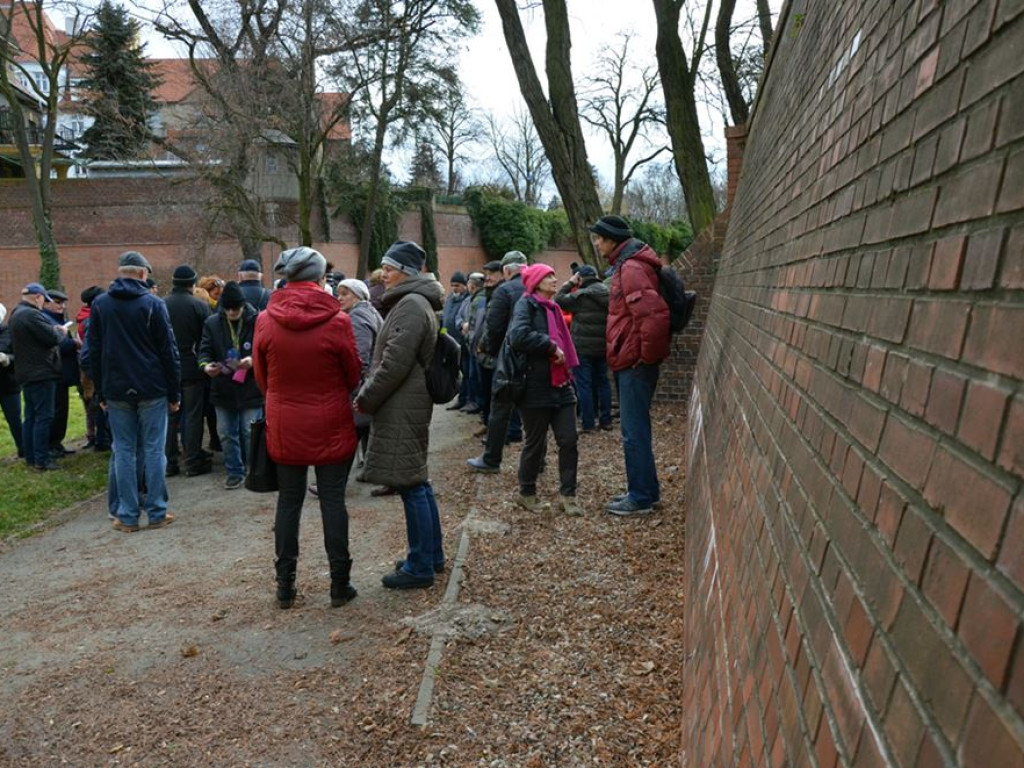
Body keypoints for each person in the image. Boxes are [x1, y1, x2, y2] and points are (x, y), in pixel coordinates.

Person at [253, 247, 363, 609]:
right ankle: (339, 584)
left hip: (285, 422)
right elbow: (352, 374)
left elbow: (261, 376)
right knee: (332, 501)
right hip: (330, 419)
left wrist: (282, 398)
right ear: (319, 279)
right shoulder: (338, 321)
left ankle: (285, 587)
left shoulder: (266, 319)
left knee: (289, 502)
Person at [355, 240, 445, 590]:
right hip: (407, 401)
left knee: (410, 484)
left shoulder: (410, 304)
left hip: (402, 402)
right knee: (417, 481)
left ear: (406, 272)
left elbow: (394, 363)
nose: (384, 274)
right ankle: (430, 556)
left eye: (389, 268)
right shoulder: (416, 301)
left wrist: (365, 397)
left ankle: (420, 565)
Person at [88, 251, 181, 532]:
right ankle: (156, 511)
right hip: (151, 386)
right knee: (154, 449)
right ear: (143, 274)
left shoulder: (101, 304)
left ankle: (127, 514)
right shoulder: (152, 304)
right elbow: (169, 351)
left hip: (116, 389)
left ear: (120, 272)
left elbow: (95, 351)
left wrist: (100, 393)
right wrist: (174, 392)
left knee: (124, 451)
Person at [590, 215, 671, 516]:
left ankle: (640, 498)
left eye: (599, 238)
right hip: (632, 361)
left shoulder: (632, 267)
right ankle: (646, 491)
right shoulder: (628, 264)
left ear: (611, 239)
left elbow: (654, 316)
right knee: (636, 429)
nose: (597, 243)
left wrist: (644, 358)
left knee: (633, 431)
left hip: (634, 364)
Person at [506, 264, 583, 516]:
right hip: (534, 387)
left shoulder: (555, 308)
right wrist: (550, 346)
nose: (554, 278)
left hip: (561, 384)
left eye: (553, 274)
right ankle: (527, 493)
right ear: (536, 282)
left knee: (569, 440)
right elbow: (517, 335)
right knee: (535, 444)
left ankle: (568, 495)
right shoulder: (526, 305)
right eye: (548, 276)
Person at [199, 281, 264, 490]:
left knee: (249, 430)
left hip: (251, 385)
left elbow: (266, 350)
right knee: (226, 432)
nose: (231, 312)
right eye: (227, 308)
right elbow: (204, 350)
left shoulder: (258, 321)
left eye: (235, 308)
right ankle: (234, 471)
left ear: (243, 305)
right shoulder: (211, 323)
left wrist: (253, 361)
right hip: (223, 386)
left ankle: (253, 469)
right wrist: (206, 366)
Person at [467, 250, 527, 473]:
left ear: (507, 271)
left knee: (500, 409)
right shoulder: (537, 287)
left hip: (509, 358)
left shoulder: (505, 291)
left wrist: (488, 352)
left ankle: (491, 459)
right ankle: (537, 462)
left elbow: (494, 327)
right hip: (536, 357)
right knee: (533, 416)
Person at [9, 283, 69, 471]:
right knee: (44, 417)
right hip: (41, 372)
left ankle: (31, 457)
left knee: (31, 416)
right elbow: (52, 338)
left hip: (26, 372)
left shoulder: (16, 313)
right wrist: (62, 332)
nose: (44, 303)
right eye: (45, 299)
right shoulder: (32, 315)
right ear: (38, 297)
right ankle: (42, 460)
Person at [164, 265, 213, 477]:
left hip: (166, 369)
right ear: (193, 284)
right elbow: (208, 337)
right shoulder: (198, 306)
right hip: (192, 368)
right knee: (193, 415)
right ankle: (192, 460)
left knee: (169, 417)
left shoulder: (160, 305)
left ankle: (169, 462)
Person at [555, 264, 612, 432]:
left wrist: (570, 283)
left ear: (580, 279)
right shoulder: (608, 294)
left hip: (582, 348)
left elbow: (558, 300)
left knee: (584, 385)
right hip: (603, 346)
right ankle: (606, 420)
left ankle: (588, 423)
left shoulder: (581, 296)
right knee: (603, 382)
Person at [42, 289, 80, 458]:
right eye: (58, 302)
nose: (62, 306)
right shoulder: (46, 320)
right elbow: (58, 345)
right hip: (56, 371)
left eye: (63, 303)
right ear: (46, 302)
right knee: (55, 410)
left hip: (63, 372)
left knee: (62, 410)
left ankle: (57, 443)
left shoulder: (57, 319)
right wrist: (73, 343)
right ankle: (52, 444)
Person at [76, 286, 111, 452]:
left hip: (93, 369)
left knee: (94, 404)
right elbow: (87, 354)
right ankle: (102, 440)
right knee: (98, 404)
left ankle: (98, 438)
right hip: (98, 370)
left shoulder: (85, 319)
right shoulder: (93, 321)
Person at [441, 271, 470, 410]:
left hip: (462, 342)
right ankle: (460, 397)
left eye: (457, 285)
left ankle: (466, 398)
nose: (454, 288)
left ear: (464, 285)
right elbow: (444, 319)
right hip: (449, 341)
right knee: (453, 371)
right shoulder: (450, 299)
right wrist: (442, 334)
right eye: (452, 285)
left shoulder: (467, 300)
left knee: (466, 372)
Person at [458, 272, 485, 414]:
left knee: (474, 376)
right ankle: (467, 400)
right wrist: (461, 324)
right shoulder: (465, 300)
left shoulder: (478, 300)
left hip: (473, 346)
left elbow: (478, 325)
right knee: (468, 374)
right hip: (466, 343)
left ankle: (477, 403)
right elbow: (457, 316)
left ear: (471, 286)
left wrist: (470, 338)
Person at [0, 303, 24, 458]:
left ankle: (23, 449)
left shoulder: (9, 333)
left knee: (15, 419)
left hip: (8, 384)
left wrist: (6, 359)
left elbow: (20, 357)